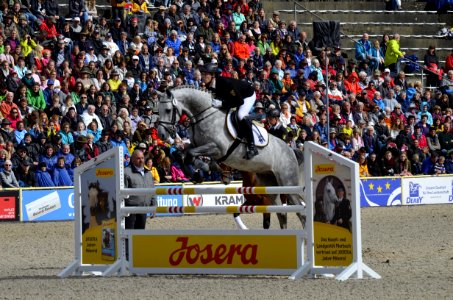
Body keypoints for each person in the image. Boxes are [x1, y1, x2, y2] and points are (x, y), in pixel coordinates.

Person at [203, 63, 258, 159]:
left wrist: (222, 104)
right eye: (203, 74)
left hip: (247, 95)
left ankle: (252, 146)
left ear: (212, 75)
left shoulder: (225, 84)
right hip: (235, 98)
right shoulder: (209, 85)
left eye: (205, 74)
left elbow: (239, 101)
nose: (203, 76)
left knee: (241, 115)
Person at [123, 150, 156, 230]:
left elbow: (152, 190)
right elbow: (122, 193)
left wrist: (154, 206)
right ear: (132, 159)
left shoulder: (148, 173)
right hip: (130, 211)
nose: (141, 160)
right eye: (138, 158)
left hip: (143, 209)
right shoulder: (125, 172)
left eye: (142, 158)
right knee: (129, 237)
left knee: (140, 235)